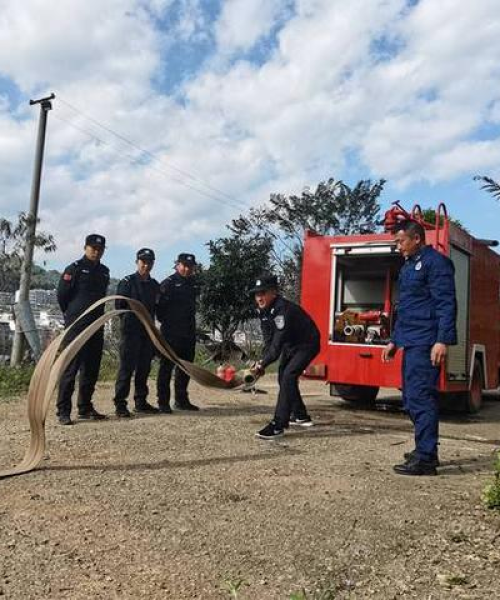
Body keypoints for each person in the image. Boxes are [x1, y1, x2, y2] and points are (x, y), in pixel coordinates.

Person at [382, 219, 457, 476]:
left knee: (421, 397)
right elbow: (406, 308)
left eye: (400, 241)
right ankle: (424, 448)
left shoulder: (436, 263)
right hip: (411, 340)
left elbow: (446, 303)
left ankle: (426, 458)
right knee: (410, 398)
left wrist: (442, 340)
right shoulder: (409, 266)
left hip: (427, 341)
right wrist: (394, 340)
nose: (397, 246)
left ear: (416, 239)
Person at [251, 274, 321, 440]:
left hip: (307, 344)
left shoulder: (282, 310)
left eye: (263, 293)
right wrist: (261, 362)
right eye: (256, 294)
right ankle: (300, 415)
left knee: (289, 376)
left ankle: (278, 425)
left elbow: (276, 345)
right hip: (291, 345)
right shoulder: (264, 311)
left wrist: (264, 364)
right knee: (283, 376)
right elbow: (269, 342)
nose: (259, 297)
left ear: (273, 293)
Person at [56, 234, 110, 425]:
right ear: (85, 248)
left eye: (100, 249)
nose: (97, 252)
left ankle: (85, 407)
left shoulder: (104, 271)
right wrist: (72, 316)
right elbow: (62, 296)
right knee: (71, 370)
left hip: (96, 325)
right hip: (77, 326)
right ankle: (63, 411)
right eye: (93, 248)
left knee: (91, 369)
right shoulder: (74, 269)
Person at [113, 248, 160, 417]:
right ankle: (120, 404)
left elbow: (157, 308)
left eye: (149, 262)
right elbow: (119, 306)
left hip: (147, 333)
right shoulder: (127, 282)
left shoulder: (154, 285)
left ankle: (141, 402)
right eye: (143, 262)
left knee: (144, 368)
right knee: (126, 369)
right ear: (137, 262)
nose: (146, 265)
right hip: (130, 332)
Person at [156, 253, 199, 412]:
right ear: (177, 265)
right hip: (171, 333)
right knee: (166, 368)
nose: (187, 269)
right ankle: (163, 402)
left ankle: (181, 400)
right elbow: (159, 311)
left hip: (188, 332)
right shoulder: (168, 284)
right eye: (184, 265)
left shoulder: (194, 284)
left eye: (190, 266)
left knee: (185, 368)